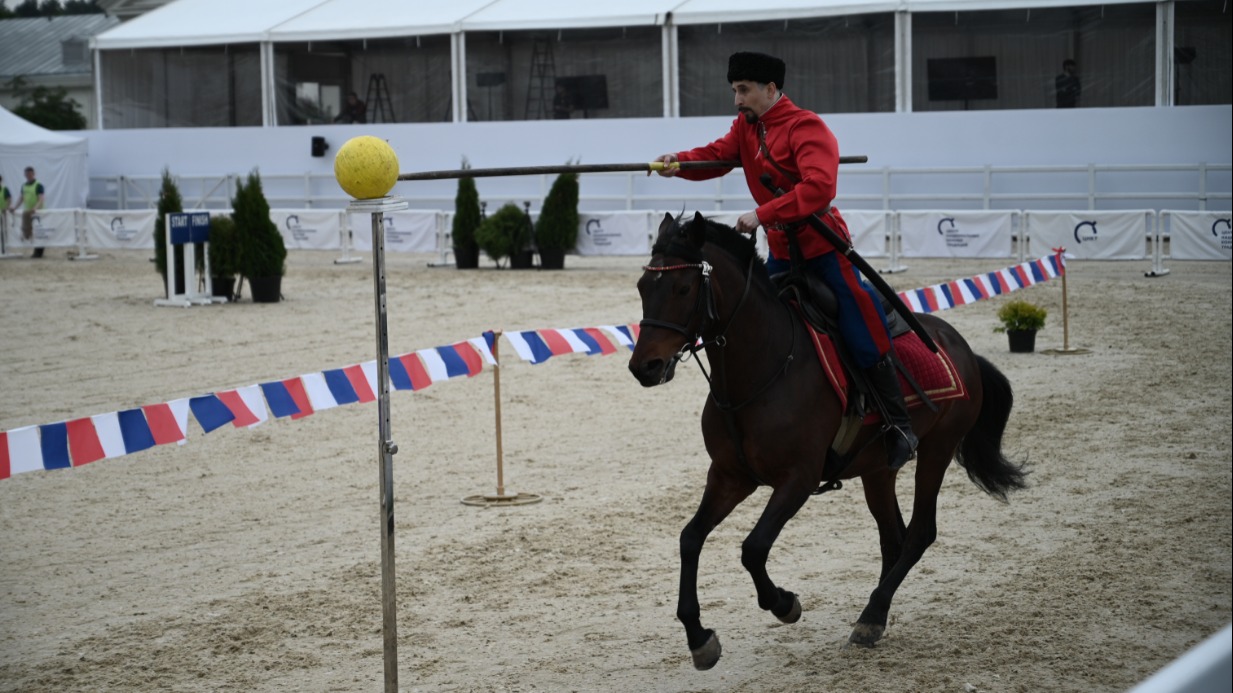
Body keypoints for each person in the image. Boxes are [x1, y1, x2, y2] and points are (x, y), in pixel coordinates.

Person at [651, 51, 917, 470]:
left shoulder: (807, 127)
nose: (736, 100)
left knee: (859, 323)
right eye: (734, 90)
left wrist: (762, 214)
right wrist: (678, 163)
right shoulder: (746, 127)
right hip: (779, 255)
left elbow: (819, 188)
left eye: (744, 90)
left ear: (771, 89)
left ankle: (899, 424)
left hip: (823, 250)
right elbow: (718, 155)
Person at [20, 166, 45, 259]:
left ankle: (39, 252)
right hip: (28, 212)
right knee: (30, 230)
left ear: (33, 174)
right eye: (26, 174)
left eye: (30, 174)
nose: (28, 176)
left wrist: (36, 208)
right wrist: (14, 207)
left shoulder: (38, 185)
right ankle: (36, 251)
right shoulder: (24, 186)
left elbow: (41, 198)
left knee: (39, 231)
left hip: (38, 212)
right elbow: (21, 198)